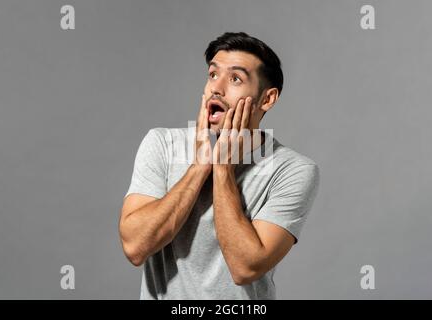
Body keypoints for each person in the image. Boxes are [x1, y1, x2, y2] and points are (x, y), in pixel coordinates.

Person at [119, 32, 320, 299]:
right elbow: (136, 247)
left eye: (235, 78)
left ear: (267, 99)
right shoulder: (162, 144)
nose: (217, 87)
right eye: (213, 74)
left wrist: (222, 167)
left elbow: (245, 268)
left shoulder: (292, 170)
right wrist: (200, 166)